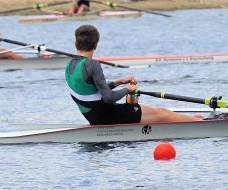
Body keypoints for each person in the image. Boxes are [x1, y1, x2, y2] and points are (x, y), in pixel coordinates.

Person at [65, 25, 202, 125]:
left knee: (159, 112)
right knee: (162, 113)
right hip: (108, 115)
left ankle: (197, 121)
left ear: (75, 43)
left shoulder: (69, 65)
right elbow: (108, 98)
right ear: (96, 44)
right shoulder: (93, 64)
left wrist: (118, 82)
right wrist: (127, 90)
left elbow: (91, 93)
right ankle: (201, 123)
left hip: (93, 117)